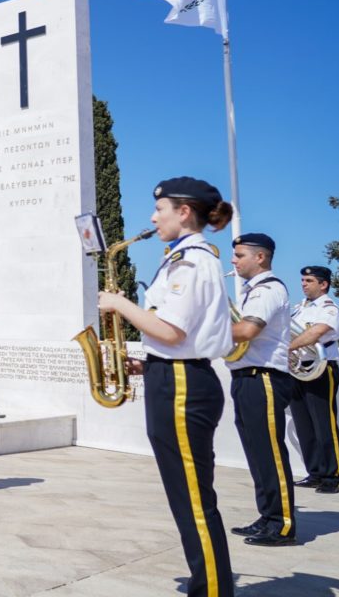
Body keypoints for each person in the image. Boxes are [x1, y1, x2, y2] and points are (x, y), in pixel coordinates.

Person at [98, 177, 234, 597]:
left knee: (193, 498)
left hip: (182, 385)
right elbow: (176, 337)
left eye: (161, 210)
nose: (153, 218)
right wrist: (147, 363)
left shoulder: (191, 261)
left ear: (184, 212)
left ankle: (212, 589)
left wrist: (119, 304)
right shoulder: (182, 258)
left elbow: (173, 331)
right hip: (171, 375)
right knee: (185, 496)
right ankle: (207, 582)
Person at [226, 233, 296, 546]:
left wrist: (202, 335)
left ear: (260, 257)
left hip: (264, 378)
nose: (233, 260)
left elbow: (248, 330)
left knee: (269, 453)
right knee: (257, 453)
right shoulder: (253, 291)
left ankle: (281, 524)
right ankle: (267, 516)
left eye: (239, 255)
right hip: (246, 378)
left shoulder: (269, 289)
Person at [288, 265, 339, 494]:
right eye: (303, 280)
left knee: (324, 424)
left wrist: (287, 347)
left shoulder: (330, 309)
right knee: (304, 425)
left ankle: (333, 476)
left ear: (323, 284)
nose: (304, 284)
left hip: (321, 369)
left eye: (309, 280)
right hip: (298, 370)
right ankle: (315, 473)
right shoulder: (297, 309)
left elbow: (316, 332)